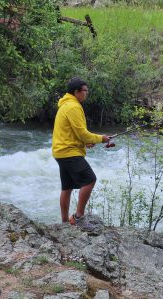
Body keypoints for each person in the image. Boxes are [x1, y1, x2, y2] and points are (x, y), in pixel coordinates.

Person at [52, 77, 110, 231]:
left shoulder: (65, 105)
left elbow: (71, 132)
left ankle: (65, 223)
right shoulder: (73, 107)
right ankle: (78, 218)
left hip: (60, 151)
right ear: (76, 92)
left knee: (67, 187)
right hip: (69, 152)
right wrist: (101, 139)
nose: (87, 93)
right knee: (90, 179)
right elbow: (82, 133)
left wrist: (84, 143)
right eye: (85, 91)